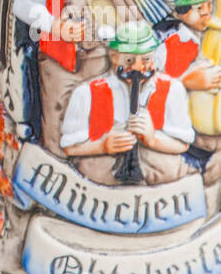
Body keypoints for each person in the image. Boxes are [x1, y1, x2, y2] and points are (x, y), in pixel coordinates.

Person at [13, 0, 127, 153]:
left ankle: (91, 170)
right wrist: (55, 26)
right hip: (58, 61)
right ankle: (52, 165)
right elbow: (21, 5)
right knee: (57, 116)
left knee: (97, 115)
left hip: (98, 59)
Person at [60, 18, 194, 185]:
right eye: (129, 60)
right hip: (98, 186)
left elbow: (183, 144)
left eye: (146, 59)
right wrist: (102, 146)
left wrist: (153, 140)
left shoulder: (172, 90)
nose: (138, 68)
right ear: (114, 57)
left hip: (157, 187)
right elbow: (69, 147)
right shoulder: (86, 94)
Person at [157, 0, 221, 180]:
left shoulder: (209, 35)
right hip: (180, 131)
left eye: (208, 5)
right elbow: (150, 86)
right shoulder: (168, 40)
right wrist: (186, 82)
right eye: (198, 8)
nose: (206, 13)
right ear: (179, 11)